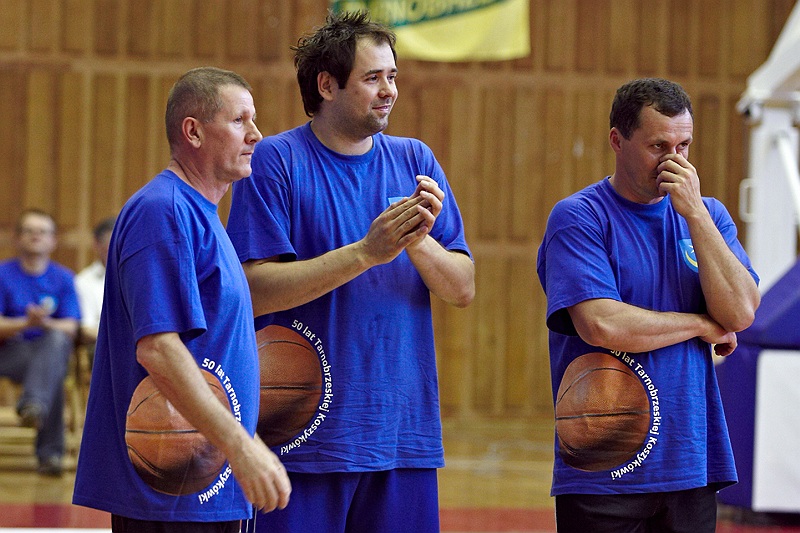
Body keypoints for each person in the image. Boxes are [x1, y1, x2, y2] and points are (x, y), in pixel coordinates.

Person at [226, 11, 475, 533]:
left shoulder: (415, 160)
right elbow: (253, 289)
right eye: (372, 77)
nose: (389, 91)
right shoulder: (275, 161)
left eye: (392, 76)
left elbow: (462, 288)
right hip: (302, 439)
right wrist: (366, 252)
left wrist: (416, 240)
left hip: (402, 436)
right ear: (327, 85)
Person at [536, 77, 761, 533]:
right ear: (617, 141)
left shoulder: (709, 217)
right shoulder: (579, 217)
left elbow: (740, 313)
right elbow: (602, 324)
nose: (674, 161)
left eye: (684, 146)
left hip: (690, 462)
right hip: (606, 465)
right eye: (658, 146)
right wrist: (700, 324)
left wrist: (695, 215)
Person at [72, 67, 291, 532]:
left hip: (205, 483)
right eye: (239, 120)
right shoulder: (164, 211)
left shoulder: (201, 214)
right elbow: (158, 348)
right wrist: (241, 444)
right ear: (193, 131)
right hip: (173, 493)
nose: (256, 134)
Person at [0, 209, 80, 477]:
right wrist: (26, 323)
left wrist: (43, 324)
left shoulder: (64, 278)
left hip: (47, 350)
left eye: (43, 232)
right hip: (9, 353)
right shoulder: (2, 274)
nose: (36, 236)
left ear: (53, 240)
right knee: (51, 366)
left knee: (55, 347)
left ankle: (34, 405)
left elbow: (71, 326)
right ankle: (50, 454)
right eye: (29, 231)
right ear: (17, 238)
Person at [74, 216, 115, 356]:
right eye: (112, 243)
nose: (119, 248)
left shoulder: (140, 277)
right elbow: (86, 329)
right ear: (97, 244)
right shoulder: (84, 281)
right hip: (103, 346)